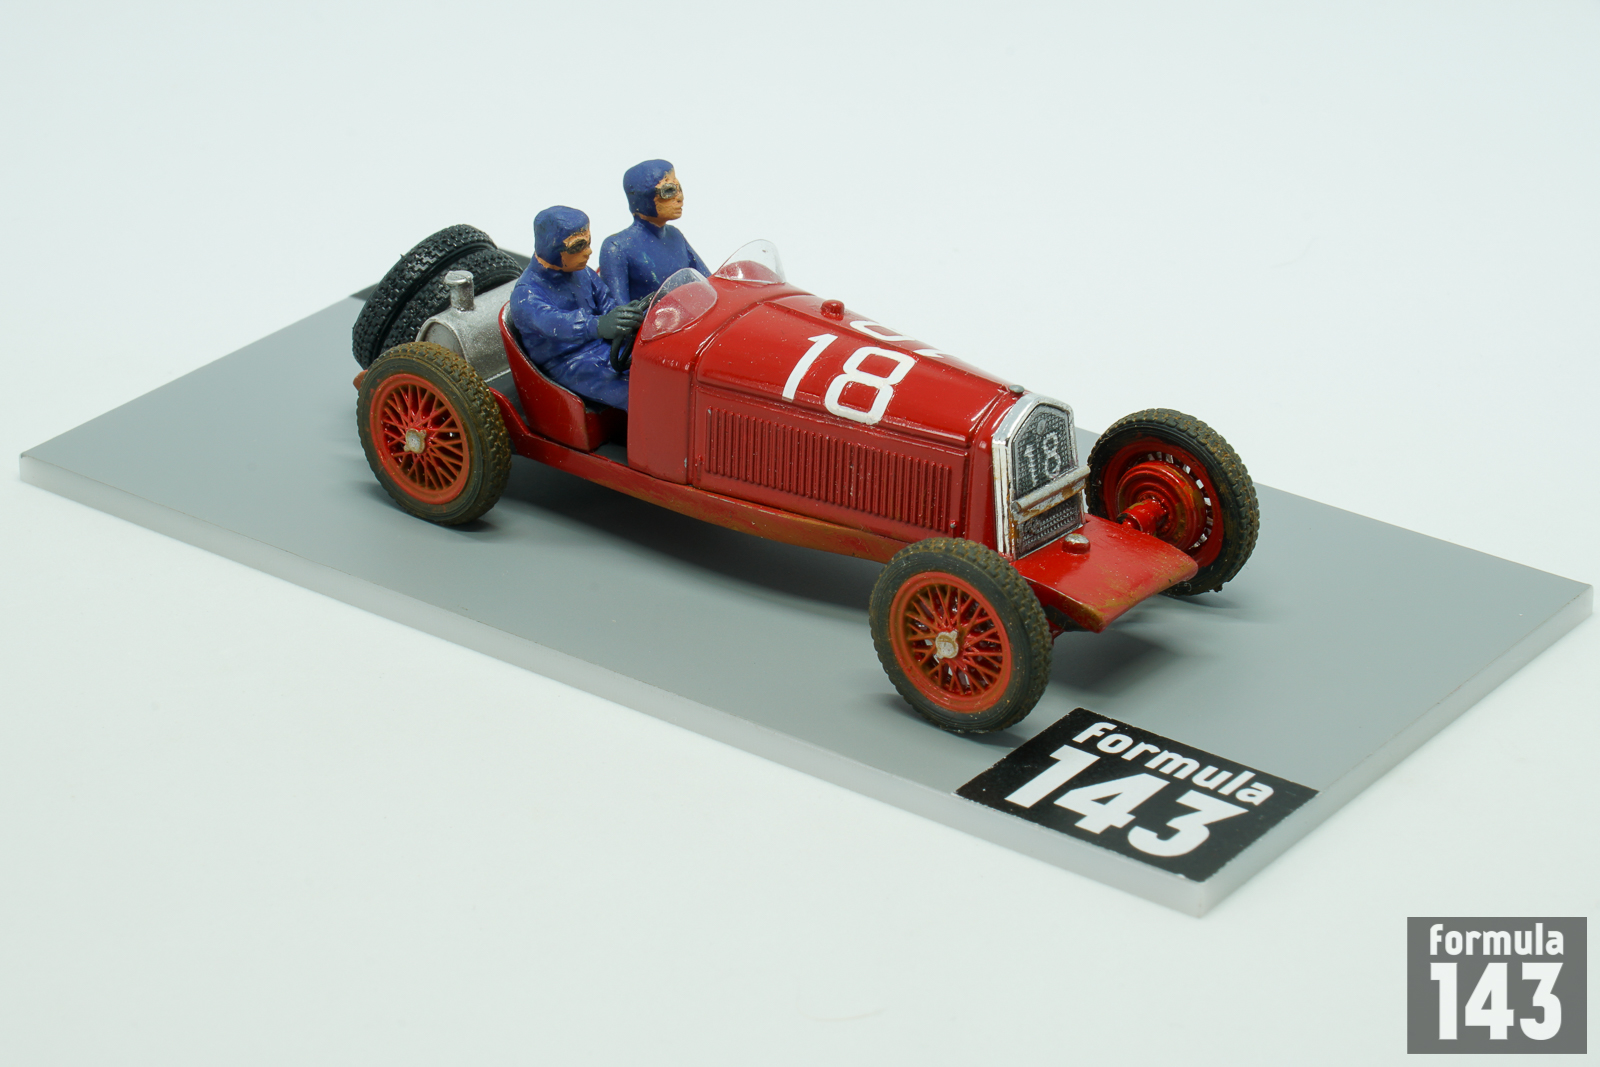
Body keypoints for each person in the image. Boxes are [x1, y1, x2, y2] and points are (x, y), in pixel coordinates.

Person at [508, 206, 643, 410]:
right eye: (578, 246)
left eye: (588, 242)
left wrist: (624, 317)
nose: (588, 252)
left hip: (603, 345)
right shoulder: (526, 295)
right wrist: (599, 325)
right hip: (568, 362)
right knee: (639, 393)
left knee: (655, 366)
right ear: (552, 248)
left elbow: (605, 300)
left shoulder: (582, 272)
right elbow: (558, 324)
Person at [599, 159, 711, 304]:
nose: (680, 197)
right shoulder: (617, 247)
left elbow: (709, 282)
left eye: (679, 188)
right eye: (669, 191)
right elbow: (619, 311)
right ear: (642, 197)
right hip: (653, 318)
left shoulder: (675, 235)